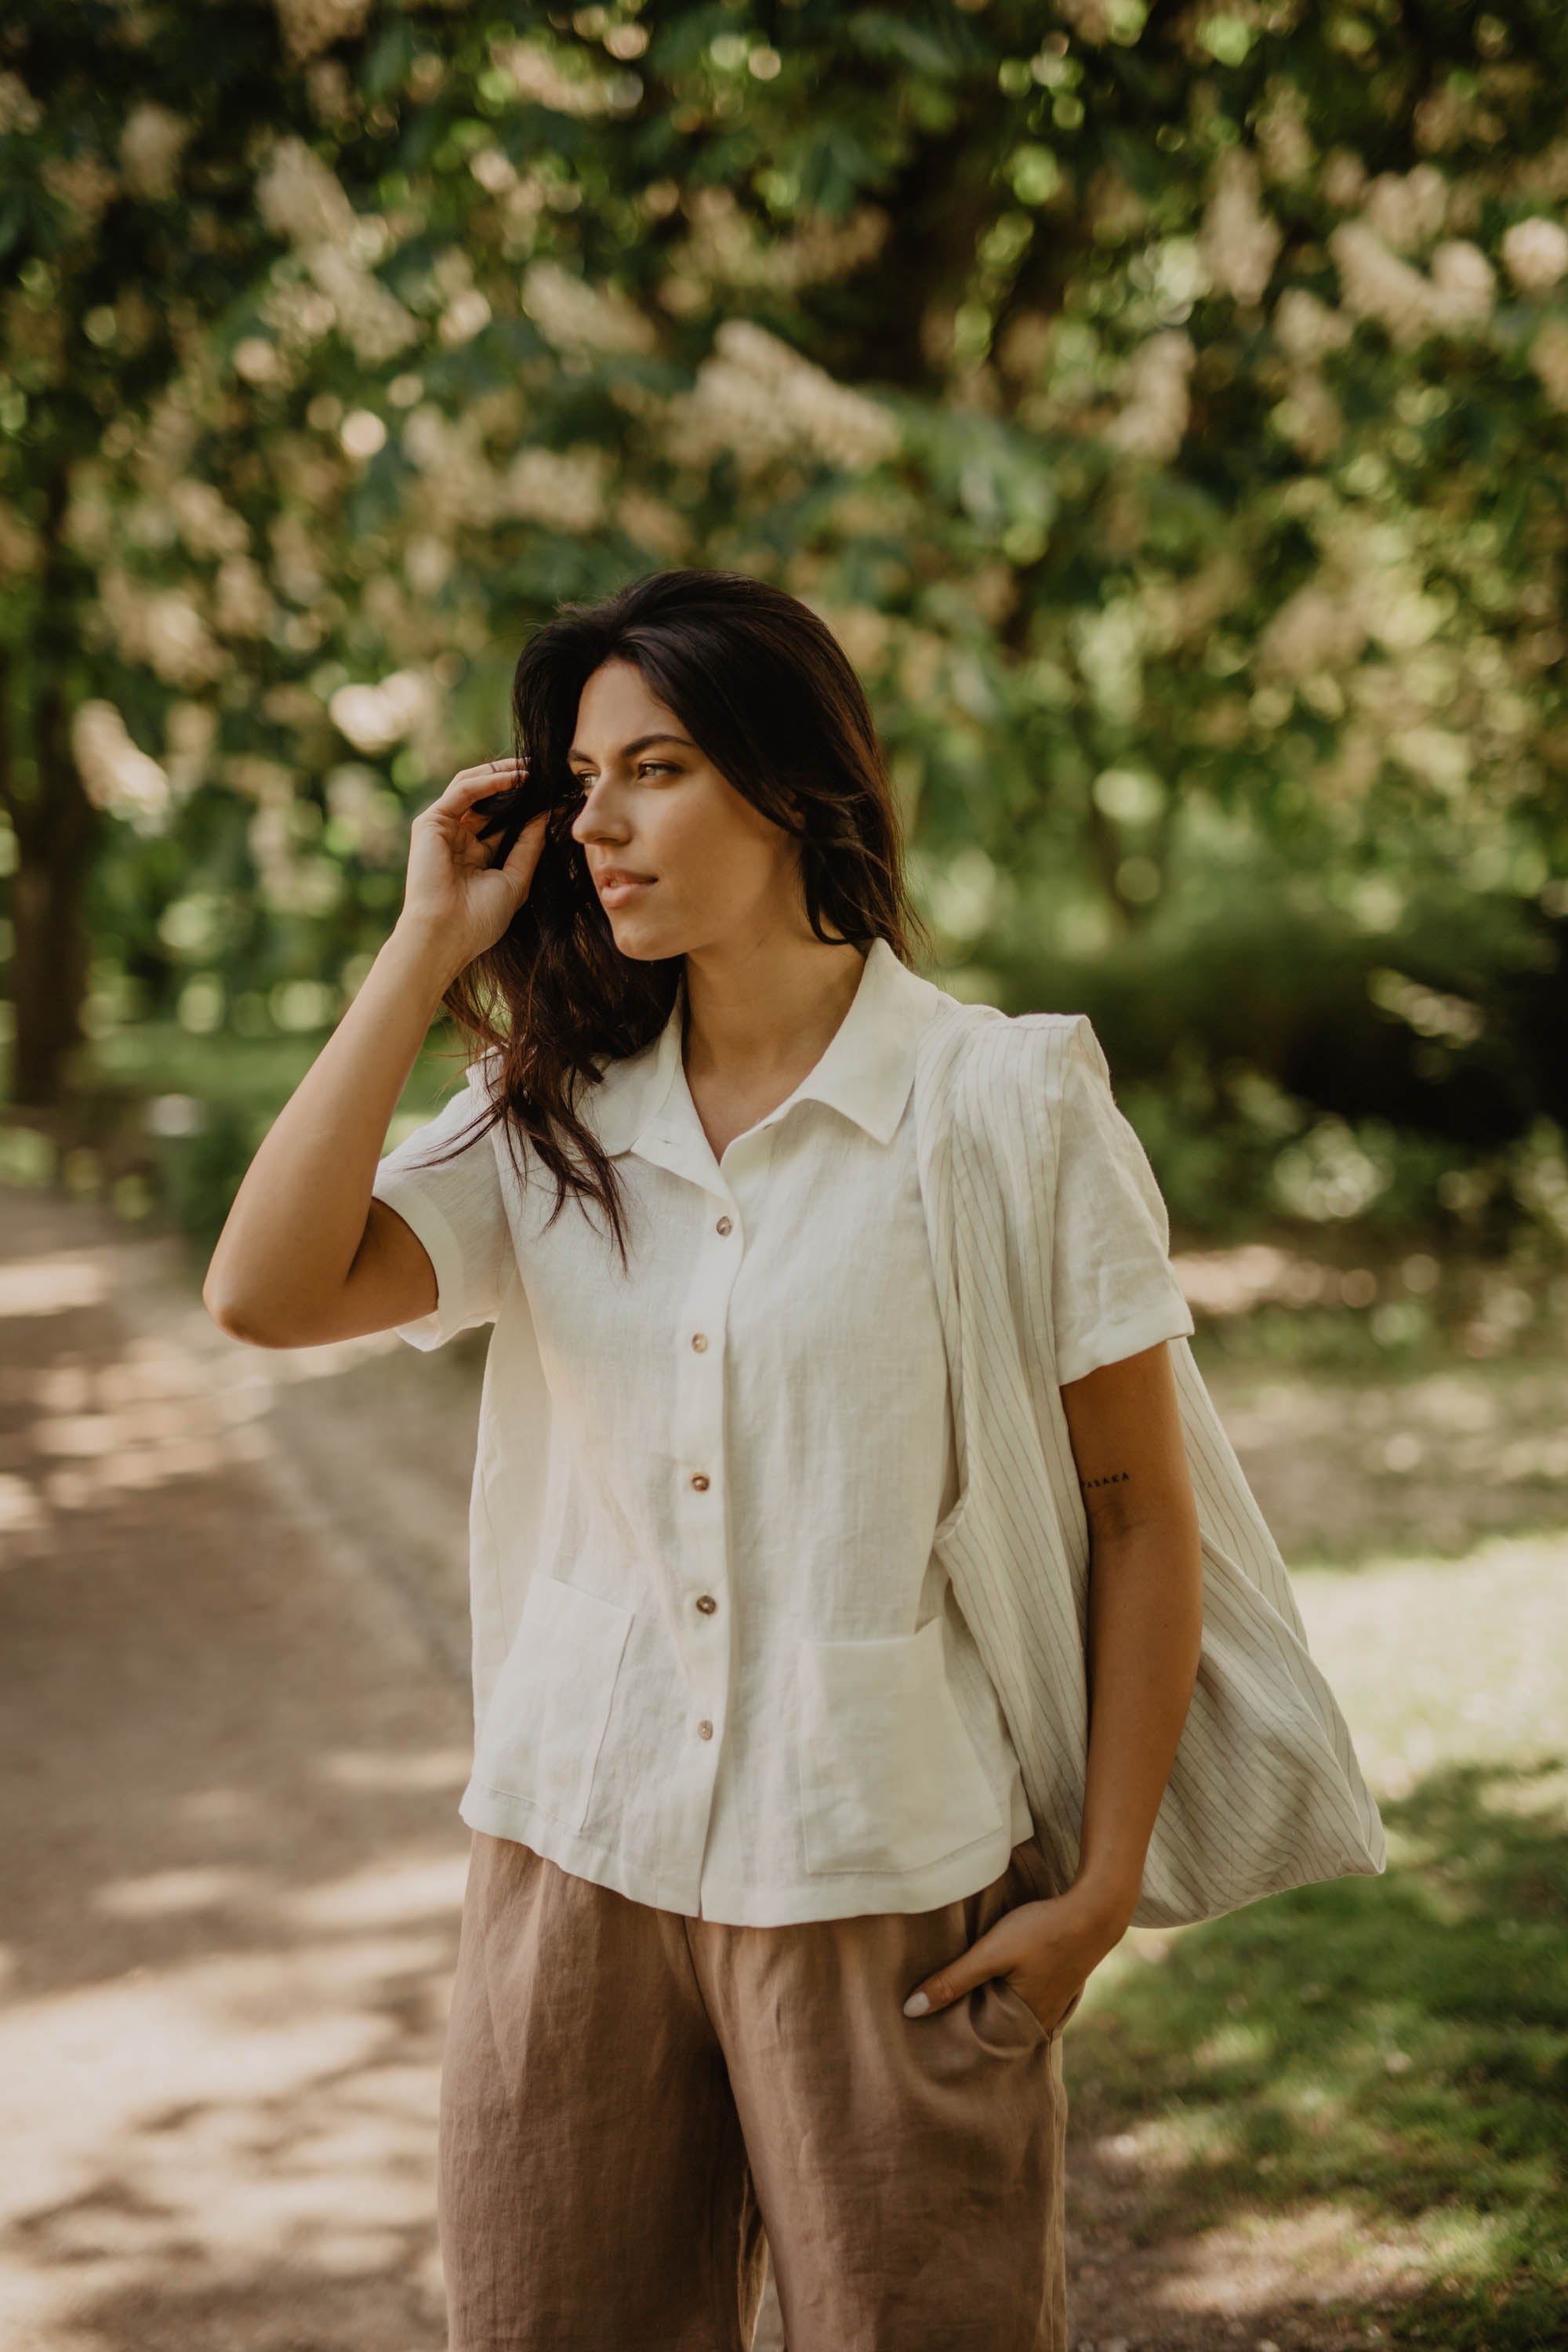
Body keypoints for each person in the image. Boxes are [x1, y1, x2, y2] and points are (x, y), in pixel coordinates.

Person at [205, 566, 1205, 2352]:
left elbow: (1135, 1514)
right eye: (580, 779)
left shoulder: (1006, 1102)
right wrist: (424, 942)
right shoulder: (548, 1114)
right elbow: (263, 1293)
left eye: (652, 768)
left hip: (877, 1870)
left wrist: (1105, 1882)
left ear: (791, 780)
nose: (596, 821)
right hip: (576, 1856)